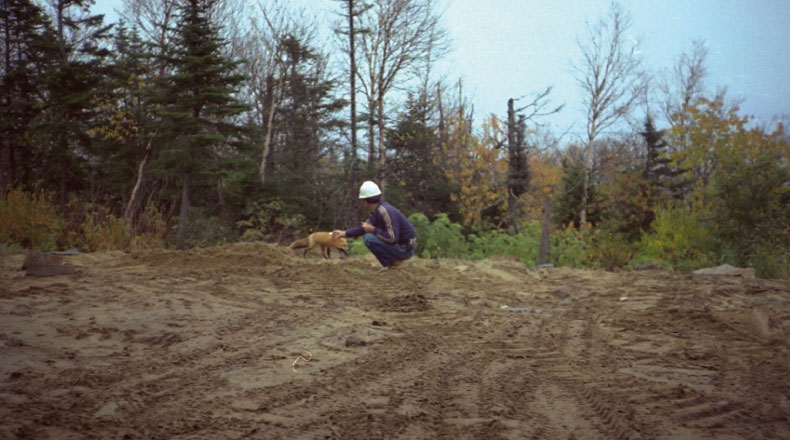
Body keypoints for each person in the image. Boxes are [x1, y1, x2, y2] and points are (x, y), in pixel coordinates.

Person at [332, 181, 417, 270]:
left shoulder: (385, 212)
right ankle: (392, 264)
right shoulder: (378, 210)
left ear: (365, 201)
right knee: (369, 236)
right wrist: (344, 233)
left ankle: (394, 263)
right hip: (402, 246)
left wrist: (373, 230)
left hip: (404, 249)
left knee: (369, 239)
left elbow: (392, 239)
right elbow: (365, 228)